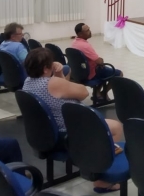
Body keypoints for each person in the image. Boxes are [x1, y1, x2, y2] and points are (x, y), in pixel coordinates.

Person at [22, 48, 123, 194]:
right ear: (45, 68)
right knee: (116, 127)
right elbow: (83, 92)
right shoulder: (52, 83)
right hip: (68, 132)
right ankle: (101, 178)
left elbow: (63, 89)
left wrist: (58, 73)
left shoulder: (27, 82)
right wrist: (58, 75)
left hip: (48, 132)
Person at [70, 23, 122, 101]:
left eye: (89, 29)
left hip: (79, 72)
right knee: (119, 73)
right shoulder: (85, 46)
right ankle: (103, 93)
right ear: (80, 34)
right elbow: (99, 61)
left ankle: (97, 93)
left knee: (102, 69)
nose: (90, 31)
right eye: (87, 30)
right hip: (90, 73)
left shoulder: (74, 43)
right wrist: (101, 61)